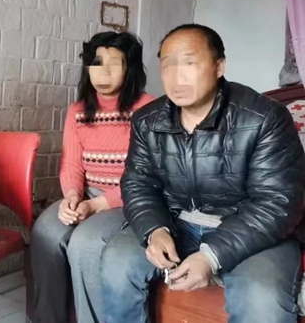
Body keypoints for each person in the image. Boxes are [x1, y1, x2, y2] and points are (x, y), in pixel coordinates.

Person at [101, 23, 305, 323]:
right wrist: (154, 230)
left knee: (261, 299)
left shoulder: (264, 117)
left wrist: (212, 256)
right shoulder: (147, 121)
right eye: (168, 65)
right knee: (117, 260)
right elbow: (138, 184)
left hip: (250, 230)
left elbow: (278, 202)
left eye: (190, 63)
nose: (177, 76)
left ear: (219, 66)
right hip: (177, 222)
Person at [29, 31, 155, 323]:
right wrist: (72, 197)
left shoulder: (148, 109)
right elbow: (71, 165)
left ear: (130, 68)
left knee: (85, 242)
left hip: (130, 200)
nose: (103, 72)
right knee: (45, 231)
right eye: (97, 63)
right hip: (88, 196)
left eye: (115, 64)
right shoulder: (78, 111)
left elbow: (148, 176)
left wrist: (98, 205)